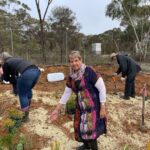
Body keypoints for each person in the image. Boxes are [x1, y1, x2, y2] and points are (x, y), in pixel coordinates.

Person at [49, 51, 107, 150]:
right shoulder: (71, 77)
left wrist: (103, 107)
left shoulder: (89, 71)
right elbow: (66, 94)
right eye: (71, 61)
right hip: (81, 107)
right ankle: (86, 146)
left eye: (76, 60)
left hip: (94, 107)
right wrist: (57, 110)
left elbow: (102, 88)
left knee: (91, 131)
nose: (74, 63)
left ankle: (93, 148)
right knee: (80, 128)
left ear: (81, 60)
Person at [0, 52, 41, 122]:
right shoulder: (16, 59)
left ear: (2, 59)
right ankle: (27, 108)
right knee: (27, 89)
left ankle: (25, 117)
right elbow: (14, 76)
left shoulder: (6, 63)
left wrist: (2, 77)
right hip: (37, 71)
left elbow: (6, 78)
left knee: (22, 95)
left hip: (26, 73)